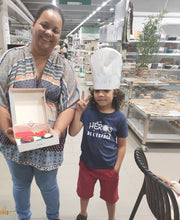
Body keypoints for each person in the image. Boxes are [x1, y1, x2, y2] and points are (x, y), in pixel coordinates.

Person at [0, 4, 79, 220]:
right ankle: (23, 216)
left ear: (59, 36)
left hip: (49, 143)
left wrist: (56, 131)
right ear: (33, 25)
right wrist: (8, 128)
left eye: (55, 30)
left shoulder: (64, 66)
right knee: (20, 183)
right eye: (44, 26)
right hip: (14, 140)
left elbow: (70, 104)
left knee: (48, 185)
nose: (49, 33)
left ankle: (53, 216)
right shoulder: (11, 58)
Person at [69, 47, 128, 220]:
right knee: (84, 193)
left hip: (109, 167)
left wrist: (116, 168)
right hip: (87, 165)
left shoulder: (119, 118)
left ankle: (111, 217)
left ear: (114, 92)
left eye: (106, 90)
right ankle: (83, 212)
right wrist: (78, 112)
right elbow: (73, 133)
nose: (100, 94)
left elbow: (122, 145)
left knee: (110, 197)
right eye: (97, 90)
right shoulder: (88, 112)